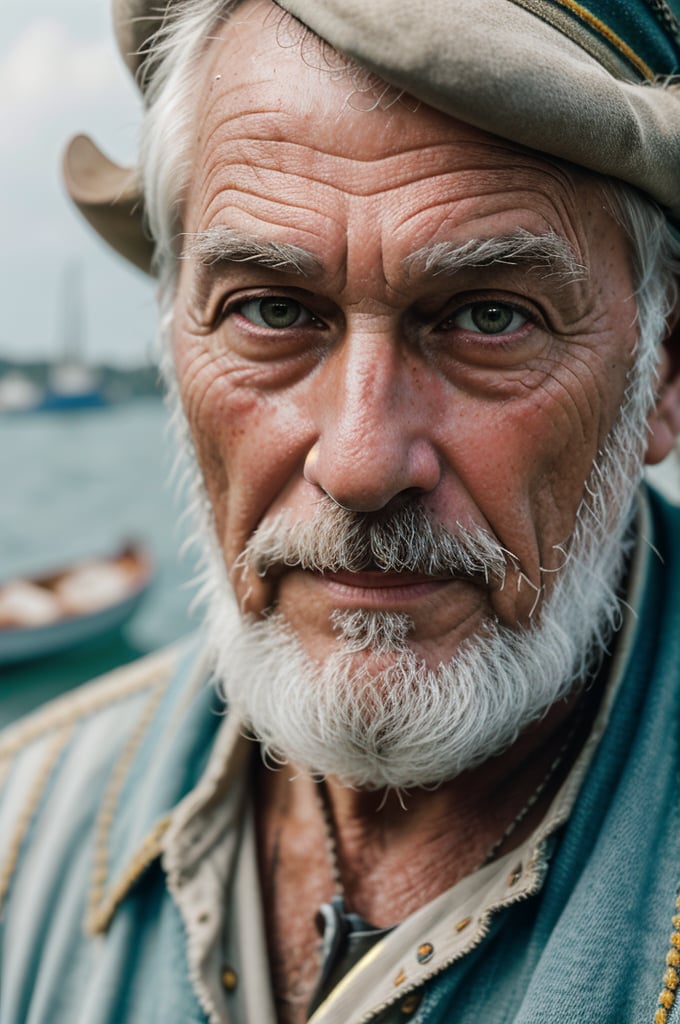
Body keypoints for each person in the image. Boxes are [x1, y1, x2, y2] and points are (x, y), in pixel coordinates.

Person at [2, 0, 680, 1021]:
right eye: (271, 311)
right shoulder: (23, 826)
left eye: (488, 317)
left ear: (662, 372)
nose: (360, 461)